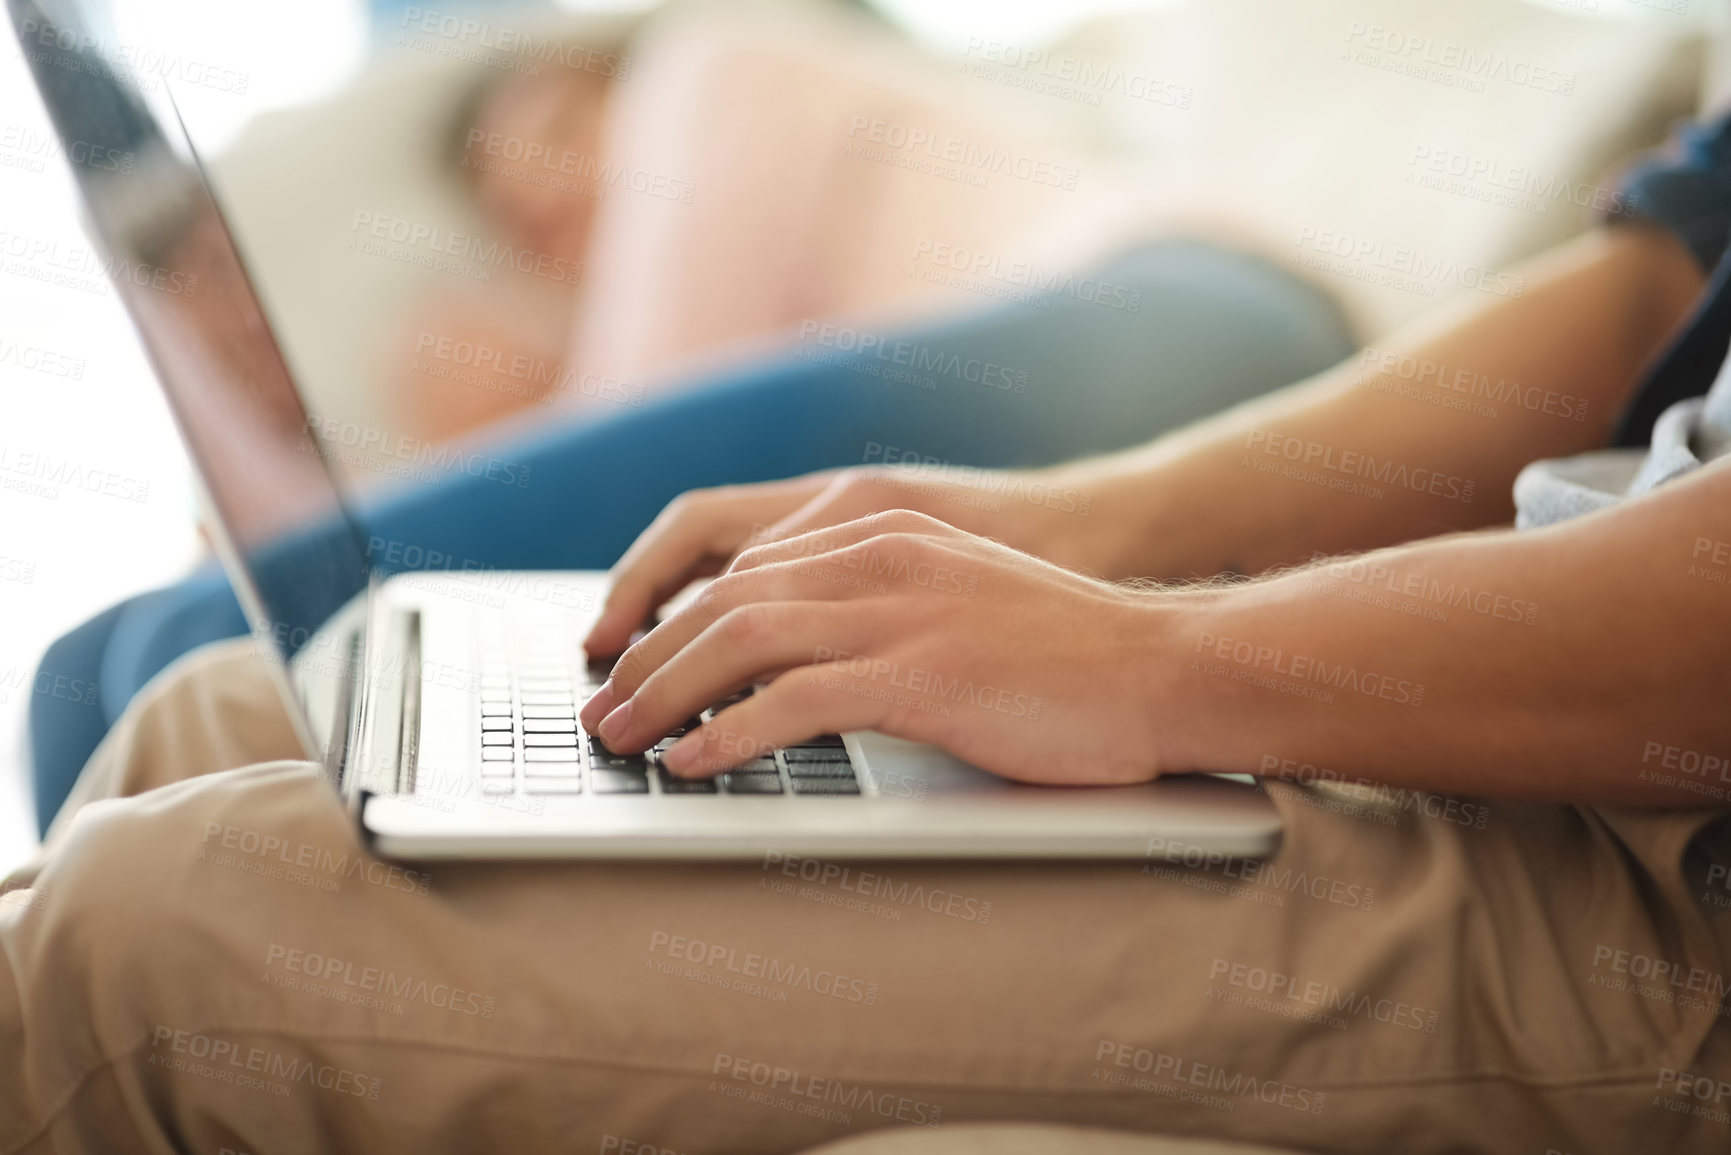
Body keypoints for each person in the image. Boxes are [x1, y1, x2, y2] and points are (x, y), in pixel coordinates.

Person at [5, 90, 1731, 1155]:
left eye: (528, 142)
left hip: (1665, 871)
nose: (523, 198)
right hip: (1527, 629)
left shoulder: (722, 70)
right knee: (206, 715)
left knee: (142, 943)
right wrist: (1050, 545)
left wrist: (1159, 660)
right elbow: (1666, 281)